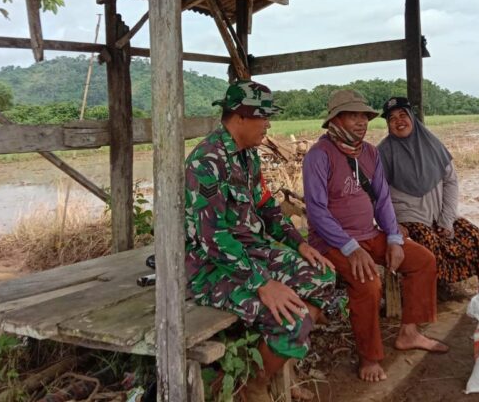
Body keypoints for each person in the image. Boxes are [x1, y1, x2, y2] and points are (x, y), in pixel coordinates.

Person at [185, 80, 336, 401]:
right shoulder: (205, 161)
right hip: (212, 270)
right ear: (239, 116)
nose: (269, 124)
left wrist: (299, 244)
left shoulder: (248, 156)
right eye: (263, 116)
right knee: (294, 320)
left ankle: (279, 363)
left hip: (253, 254)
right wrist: (263, 283)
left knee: (323, 275)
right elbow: (213, 239)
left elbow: (267, 207)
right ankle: (252, 384)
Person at [302, 89, 448, 383]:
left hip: (370, 234)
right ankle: (369, 357)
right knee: (368, 283)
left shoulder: (369, 153)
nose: (361, 122)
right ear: (336, 119)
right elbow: (316, 211)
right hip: (332, 243)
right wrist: (350, 247)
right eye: (352, 116)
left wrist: (394, 238)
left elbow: (382, 200)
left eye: (364, 116)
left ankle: (409, 332)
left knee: (422, 260)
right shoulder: (319, 156)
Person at [377, 96, 479, 292]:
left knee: (475, 236)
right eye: (391, 118)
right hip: (410, 220)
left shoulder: (432, 144)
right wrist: (392, 226)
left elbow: (451, 181)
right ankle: (428, 306)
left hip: (440, 216)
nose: (398, 121)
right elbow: (377, 196)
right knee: (428, 245)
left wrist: (447, 219)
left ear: (412, 117)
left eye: (402, 115)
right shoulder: (382, 153)